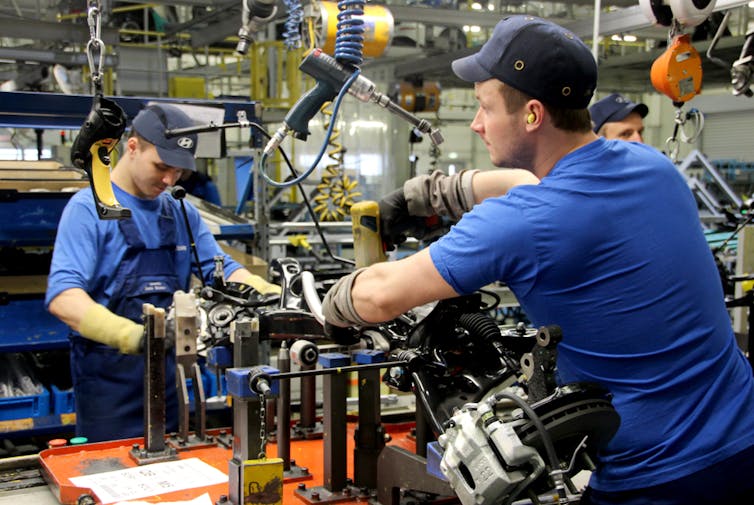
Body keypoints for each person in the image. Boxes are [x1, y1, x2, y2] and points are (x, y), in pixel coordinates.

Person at [321, 15, 754, 505]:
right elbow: (544, 188)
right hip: (744, 437)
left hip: (658, 479)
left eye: (485, 107)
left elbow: (378, 297)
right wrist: (437, 192)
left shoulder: (520, 223)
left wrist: (322, 303)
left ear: (531, 115)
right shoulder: (651, 165)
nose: (477, 123)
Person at [46, 103, 280, 443]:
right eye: (162, 166)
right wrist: (137, 337)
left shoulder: (179, 210)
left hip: (172, 384)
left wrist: (273, 294)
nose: (170, 179)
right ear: (132, 147)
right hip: (110, 390)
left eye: (180, 171)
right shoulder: (88, 209)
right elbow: (63, 298)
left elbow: (222, 270)